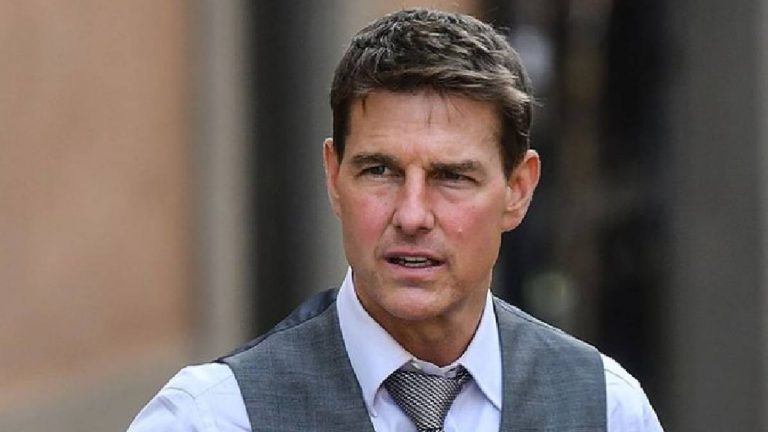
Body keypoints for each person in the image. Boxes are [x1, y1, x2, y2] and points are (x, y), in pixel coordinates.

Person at [129, 8, 662, 431]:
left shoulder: (606, 411)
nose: (411, 215)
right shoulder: (212, 418)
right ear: (334, 177)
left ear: (518, 190)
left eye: (452, 176)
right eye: (380, 171)